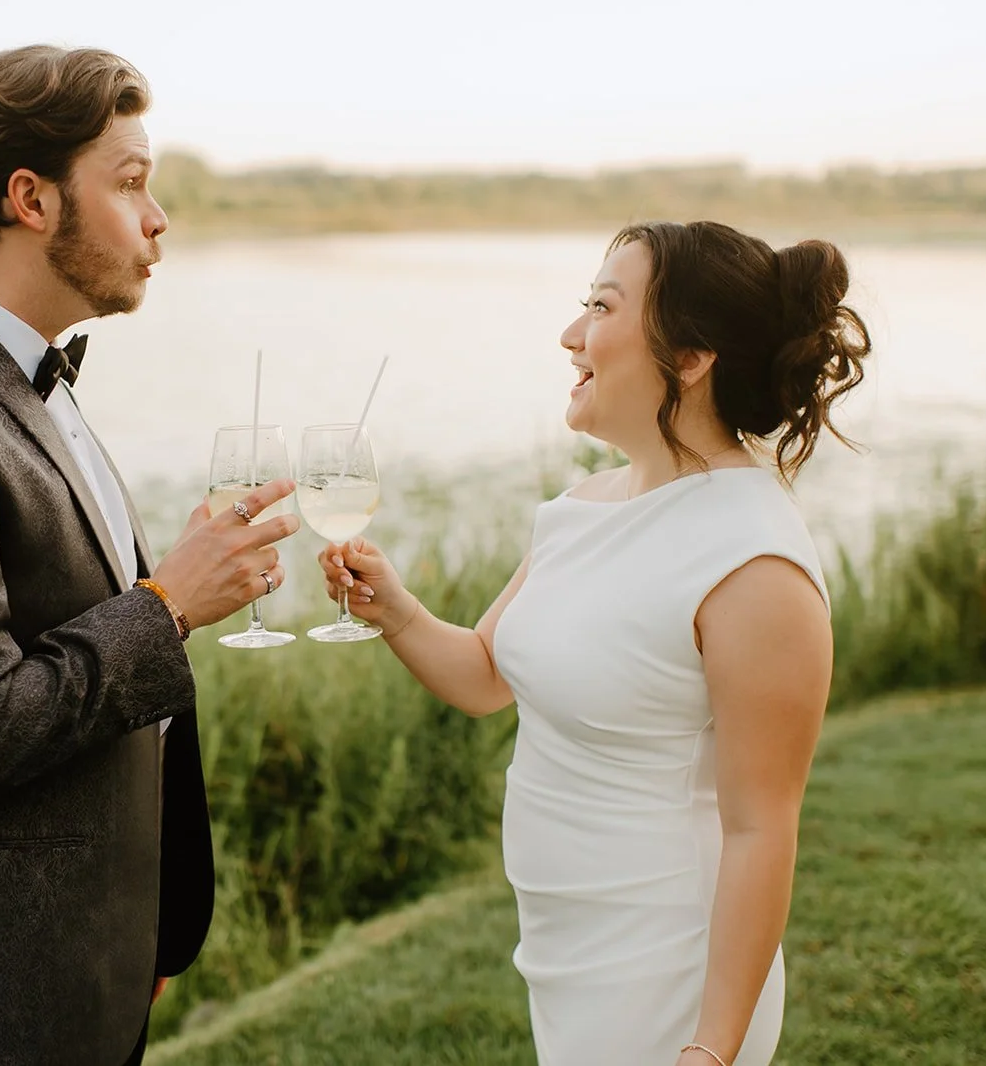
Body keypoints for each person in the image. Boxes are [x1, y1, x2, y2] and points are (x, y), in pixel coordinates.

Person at [0, 45, 300, 1066]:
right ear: (29, 198)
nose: (158, 218)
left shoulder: (32, 379)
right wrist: (166, 604)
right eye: (130, 184)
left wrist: (143, 924)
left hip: (91, 964)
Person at [317, 220, 871, 1065]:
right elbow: (483, 678)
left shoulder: (755, 563)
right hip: (563, 951)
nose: (571, 334)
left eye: (602, 307)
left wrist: (712, 1048)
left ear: (689, 359)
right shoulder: (583, 507)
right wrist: (395, 610)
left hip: (669, 973)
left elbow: (763, 829)